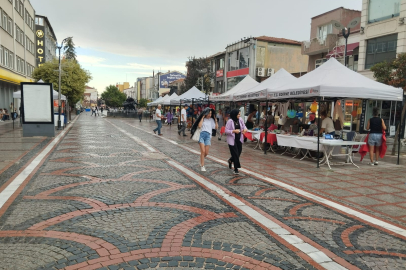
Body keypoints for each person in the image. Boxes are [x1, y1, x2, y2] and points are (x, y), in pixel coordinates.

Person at [225, 109, 247, 175]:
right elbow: (226, 131)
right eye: (238, 114)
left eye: (239, 114)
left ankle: (230, 160)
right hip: (232, 140)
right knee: (235, 153)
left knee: (239, 152)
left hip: (239, 139)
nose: (239, 115)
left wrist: (245, 129)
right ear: (235, 114)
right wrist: (234, 131)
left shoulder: (240, 120)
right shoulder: (230, 121)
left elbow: (244, 126)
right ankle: (236, 168)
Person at [197, 108, 218, 172]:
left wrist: (215, 120)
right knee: (203, 151)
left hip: (208, 136)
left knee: (206, 153)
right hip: (201, 135)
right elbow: (199, 126)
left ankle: (201, 159)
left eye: (211, 113)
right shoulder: (203, 119)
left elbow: (216, 127)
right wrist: (202, 117)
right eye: (208, 113)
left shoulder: (211, 120)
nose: (210, 115)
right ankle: (202, 166)